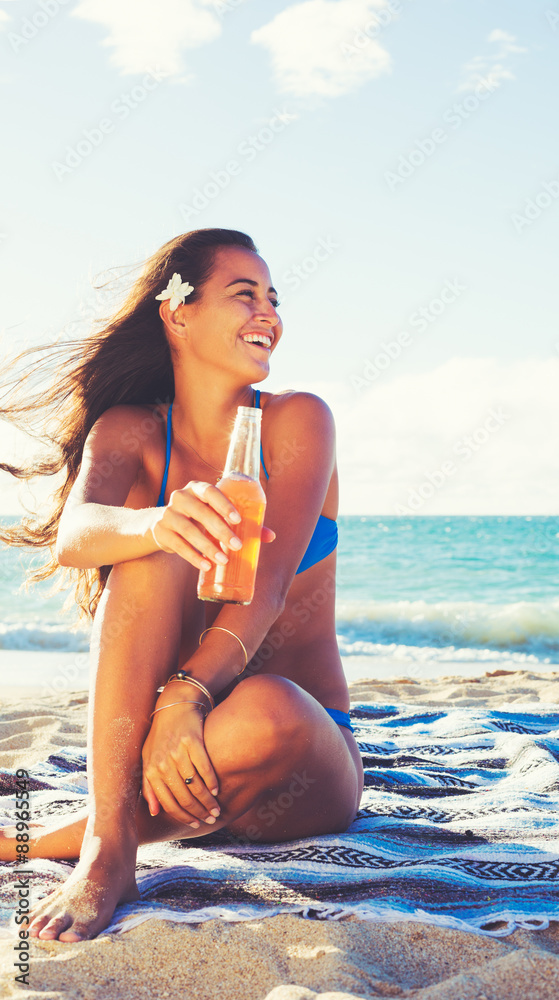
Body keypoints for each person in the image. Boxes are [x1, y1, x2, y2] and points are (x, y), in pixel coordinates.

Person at [0, 228, 363, 942]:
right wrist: (157, 523)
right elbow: (78, 535)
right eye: (243, 294)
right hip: (168, 760)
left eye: (273, 299)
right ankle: (108, 849)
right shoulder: (132, 430)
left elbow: (265, 589)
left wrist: (184, 696)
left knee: (269, 709)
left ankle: (50, 839)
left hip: (293, 745)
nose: (268, 314)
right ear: (179, 313)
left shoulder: (298, 421)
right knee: (150, 548)